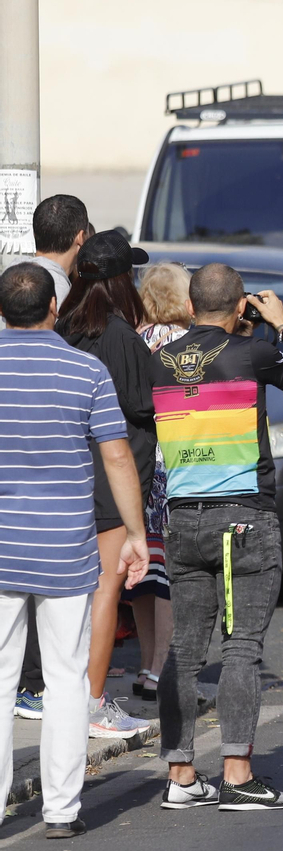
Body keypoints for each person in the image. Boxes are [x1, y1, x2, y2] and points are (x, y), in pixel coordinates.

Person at [149, 263, 283, 812]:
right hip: (242, 516)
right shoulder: (253, 353)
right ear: (239, 308)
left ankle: (181, 776)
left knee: (184, 648)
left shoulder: (159, 361)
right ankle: (237, 774)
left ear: (189, 307)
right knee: (241, 647)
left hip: (181, 518)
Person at [0, 262, 149, 839]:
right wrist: (135, 534)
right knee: (65, 678)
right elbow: (116, 456)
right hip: (65, 547)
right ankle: (61, 809)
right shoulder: (84, 370)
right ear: (53, 310)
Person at [56, 232, 160, 740]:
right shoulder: (122, 337)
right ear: (122, 281)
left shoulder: (61, 329)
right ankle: (93, 702)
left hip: (69, 479)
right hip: (113, 486)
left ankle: (71, 695)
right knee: (104, 592)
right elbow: (146, 406)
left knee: (69, 599)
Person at [12, 193, 91, 720]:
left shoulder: (12, 283)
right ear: (81, 237)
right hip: (55, 495)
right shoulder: (61, 296)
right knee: (65, 665)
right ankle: (63, 803)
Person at [129, 262, 192, 703]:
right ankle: (162, 668)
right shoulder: (187, 345)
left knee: (144, 572)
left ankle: (146, 665)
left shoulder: (135, 339)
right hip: (173, 463)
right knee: (168, 572)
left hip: (138, 466)